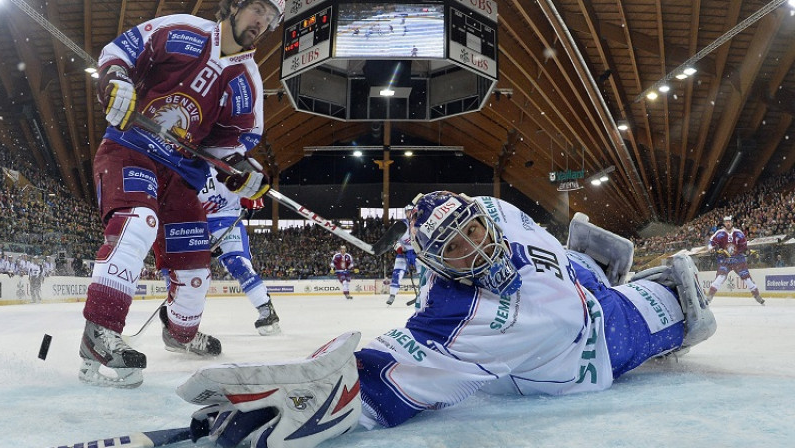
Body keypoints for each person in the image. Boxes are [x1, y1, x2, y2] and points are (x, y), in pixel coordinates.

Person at [175, 191, 717, 448]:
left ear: (483, 216)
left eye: (472, 230)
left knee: (580, 262)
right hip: (593, 345)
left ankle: (594, 264)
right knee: (684, 301)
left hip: (576, 280)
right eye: (453, 248)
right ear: (434, 266)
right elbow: (380, 378)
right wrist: (317, 392)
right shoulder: (454, 323)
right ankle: (633, 293)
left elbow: (500, 224)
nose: (472, 247)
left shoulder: (498, 211)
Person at [78, 0, 283, 389]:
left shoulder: (247, 81)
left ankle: (180, 334)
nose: (263, 22)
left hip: (183, 175)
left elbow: (229, 148)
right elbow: (119, 51)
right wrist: (117, 79)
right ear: (235, 5)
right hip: (130, 148)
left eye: (271, 18)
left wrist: (243, 171)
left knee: (194, 274)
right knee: (138, 223)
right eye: (258, 8)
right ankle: (99, 331)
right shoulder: (183, 30)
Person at [199, 166, 280, 335]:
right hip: (193, 220)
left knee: (236, 263)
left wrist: (253, 196)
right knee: (184, 267)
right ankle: (179, 320)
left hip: (226, 215)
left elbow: (256, 177)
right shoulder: (180, 155)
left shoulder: (229, 153)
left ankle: (265, 308)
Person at [705, 216, 764, 305]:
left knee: (746, 278)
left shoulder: (739, 233)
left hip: (738, 259)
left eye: (729, 221)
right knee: (720, 278)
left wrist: (747, 251)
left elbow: (744, 246)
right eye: (726, 222)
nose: (728, 223)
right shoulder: (719, 233)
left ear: (732, 222)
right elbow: (711, 243)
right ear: (724, 223)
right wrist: (711, 249)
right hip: (725, 259)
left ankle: (757, 296)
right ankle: (709, 297)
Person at [386, 212, 417, 306]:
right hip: (404, 253)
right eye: (407, 212)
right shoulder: (400, 225)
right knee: (397, 272)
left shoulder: (420, 223)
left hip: (418, 253)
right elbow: (392, 239)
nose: (409, 214)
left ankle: (425, 293)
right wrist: (398, 247)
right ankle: (392, 294)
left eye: (411, 212)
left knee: (424, 273)